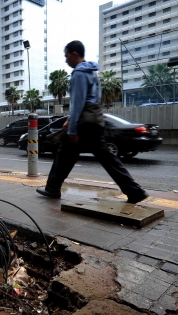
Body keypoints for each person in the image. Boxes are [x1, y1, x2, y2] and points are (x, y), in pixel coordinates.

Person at [36, 40, 148, 204]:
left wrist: (72, 129)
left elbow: (78, 102)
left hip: (84, 123)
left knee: (65, 153)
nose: (66, 60)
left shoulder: (79, 73)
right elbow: (93, 99)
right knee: (103, 157)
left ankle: (52, 188)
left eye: (67, 56)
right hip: (95, 118)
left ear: (75, 54)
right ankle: (134, 191)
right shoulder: (92, 71)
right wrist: (69, 121)